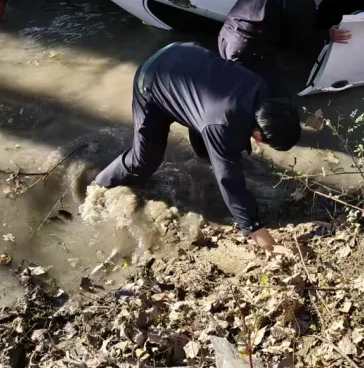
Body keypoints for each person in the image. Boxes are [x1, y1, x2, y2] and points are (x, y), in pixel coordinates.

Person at [90, 42, 301, 256]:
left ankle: (204, 153)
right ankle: (99, 184)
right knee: (144, 160)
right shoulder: (221, 123)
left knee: (210, 143)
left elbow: (211, 111)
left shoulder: (260, 89)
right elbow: (229, 181)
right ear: (258, 135)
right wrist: (258, 233)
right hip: (153, 80)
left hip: (181, 56)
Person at [218, 0, 351, 95]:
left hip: (225, 35)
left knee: (224, 86)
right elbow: (301, 39)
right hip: (247, 51)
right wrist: (328, 35)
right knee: (257, 97)